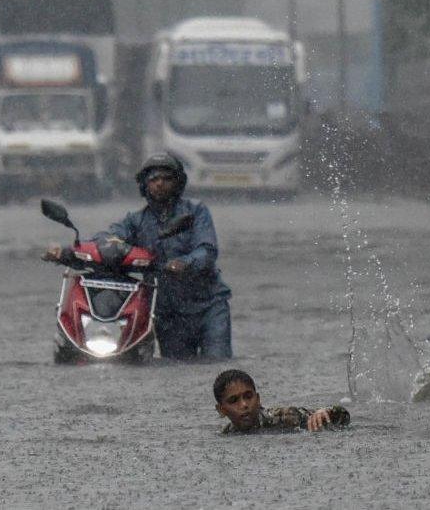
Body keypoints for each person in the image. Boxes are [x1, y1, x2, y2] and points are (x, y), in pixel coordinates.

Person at [46, 153, 233, 360]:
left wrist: (185, 263)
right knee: (178, 367)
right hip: (167, 312)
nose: (160, 184)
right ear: (145, 185)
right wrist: (66, 253)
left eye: (167, 179)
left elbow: (207, 250)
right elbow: (107, 241)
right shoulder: (135, 221)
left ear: (178, 183)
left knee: (218, 363)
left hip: (208, 306)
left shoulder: (196, 211)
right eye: (154, 179)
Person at [213, 369, 350, 434]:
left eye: (248, 396)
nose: (244, 405)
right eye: (234, 400)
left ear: (258, 399)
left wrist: (327, 412)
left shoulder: (282, 417)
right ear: (222, 410)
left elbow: (343, 416)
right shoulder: (226, 434)